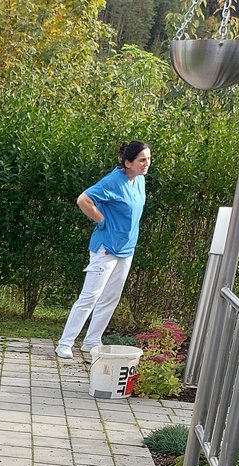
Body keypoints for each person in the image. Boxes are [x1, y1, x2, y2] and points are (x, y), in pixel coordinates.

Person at [55, 141, 151, 359]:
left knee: (111, 297)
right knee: (90, 295)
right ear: (128, 162)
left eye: (148, 159)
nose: (146, 164)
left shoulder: (140, 181)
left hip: (126, 249)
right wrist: (101, 220)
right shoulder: (112, 181)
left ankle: (91, 341)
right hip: (106, 248)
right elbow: (83, 200)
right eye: (142, 160)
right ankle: (65, 343)